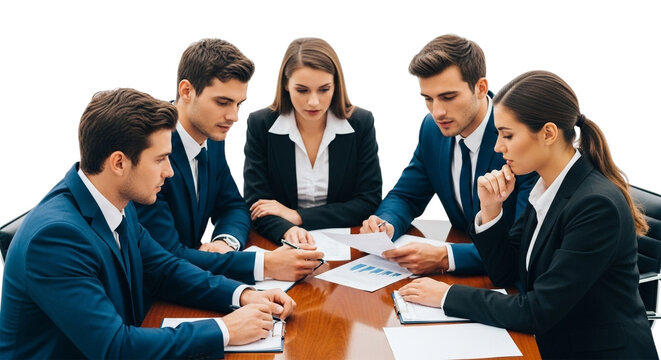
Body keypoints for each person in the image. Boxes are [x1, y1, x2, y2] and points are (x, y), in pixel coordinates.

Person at [0, 88, 295, 359]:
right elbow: (114, 348)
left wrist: (243, 295)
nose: (169, 172)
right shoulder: (56, 239)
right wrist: (225, 330)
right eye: (161, 159)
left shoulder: (115, 202)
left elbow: (165, 270)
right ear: (119, 163)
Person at [398, 70, 657, 358]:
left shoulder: (595, 205)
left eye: (507, 135)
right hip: (555, 338)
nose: (498, 147)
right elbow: (504, 272)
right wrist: (491, 210)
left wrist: (446, 296)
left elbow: (538, 310)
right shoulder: (545, 186)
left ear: (547, 133)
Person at [135, 38, 324, 283]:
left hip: (194, 277)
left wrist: (225, 241)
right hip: (154, 291)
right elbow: (167, 255)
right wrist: (264, 264)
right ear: (186, 91)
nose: (233, 116)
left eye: (238, 104)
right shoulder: (150, 149)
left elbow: (233, 206)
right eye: (222, 102)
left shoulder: (212, 136)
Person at [360, 34, 536, 275]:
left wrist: (447, 257)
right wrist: (385, 224)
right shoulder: (432, 130)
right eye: (428, 99)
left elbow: (524, 244)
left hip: (509, 284)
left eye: (448, 97)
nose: (437, 111)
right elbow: (406, 196)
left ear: (480, 88)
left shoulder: (520, 137)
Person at [244, 37, 382, 244]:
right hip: (282, 240)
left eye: (324, 89)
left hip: (346, 241)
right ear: (286, 85)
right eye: (302, 90)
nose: (314, 101)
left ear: (336, 85)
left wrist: (298, 216)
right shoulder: (261, 124)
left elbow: (368, 201)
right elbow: (258, 205)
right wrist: (288, 231)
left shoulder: (360, 123)